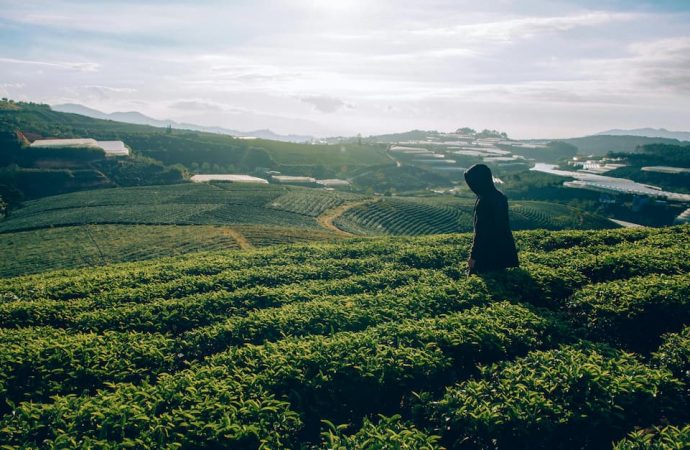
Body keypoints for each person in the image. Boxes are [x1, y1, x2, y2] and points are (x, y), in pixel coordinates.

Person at [464, 164, 519, 275]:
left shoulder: (484, 202)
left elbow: (481, 233)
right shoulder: (500, 197)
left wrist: (473, 258)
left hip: (486, 256)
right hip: (503, 253)